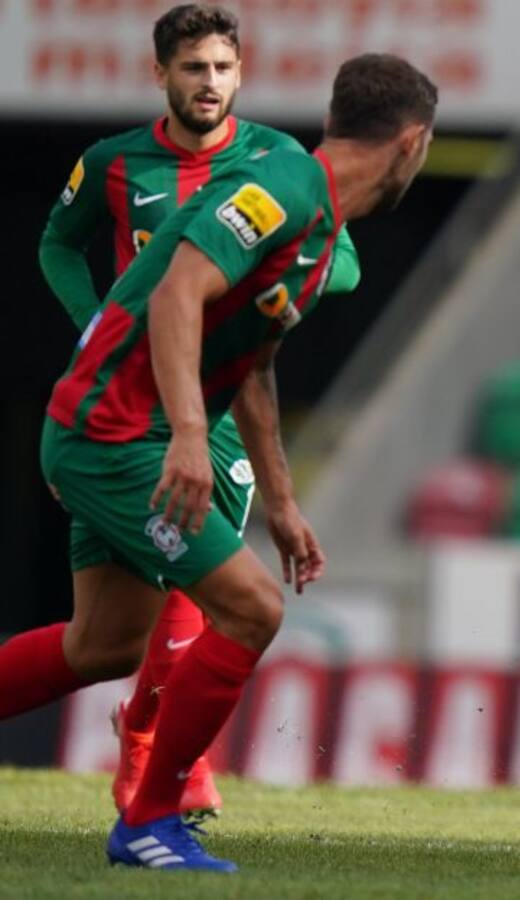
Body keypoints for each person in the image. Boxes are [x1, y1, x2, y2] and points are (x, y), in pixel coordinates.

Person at [0, 51, 436, 872]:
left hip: (121, 433)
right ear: (412, 143)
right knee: (252, 610)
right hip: (116, 436)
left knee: (104, 646)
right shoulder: (284, 189)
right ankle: (151, 820)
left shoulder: (319, 226)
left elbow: (253, 362)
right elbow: (176, 293)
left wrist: (281, 502)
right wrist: (192, 440)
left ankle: (151, 811)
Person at [38, 2, 361, 824]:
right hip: (128, 400)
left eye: (221, 67)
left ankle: (148, 743)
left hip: (213, 403)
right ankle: (148, 743)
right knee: (107, 639)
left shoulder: (273, 164)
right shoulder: (113, 165)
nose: (208, 82)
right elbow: (56, 244)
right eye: (192, 68)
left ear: (241, 72)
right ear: (162, 76)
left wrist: (268, 291)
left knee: (202, 578)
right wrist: (99, 321)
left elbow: (344, 260)